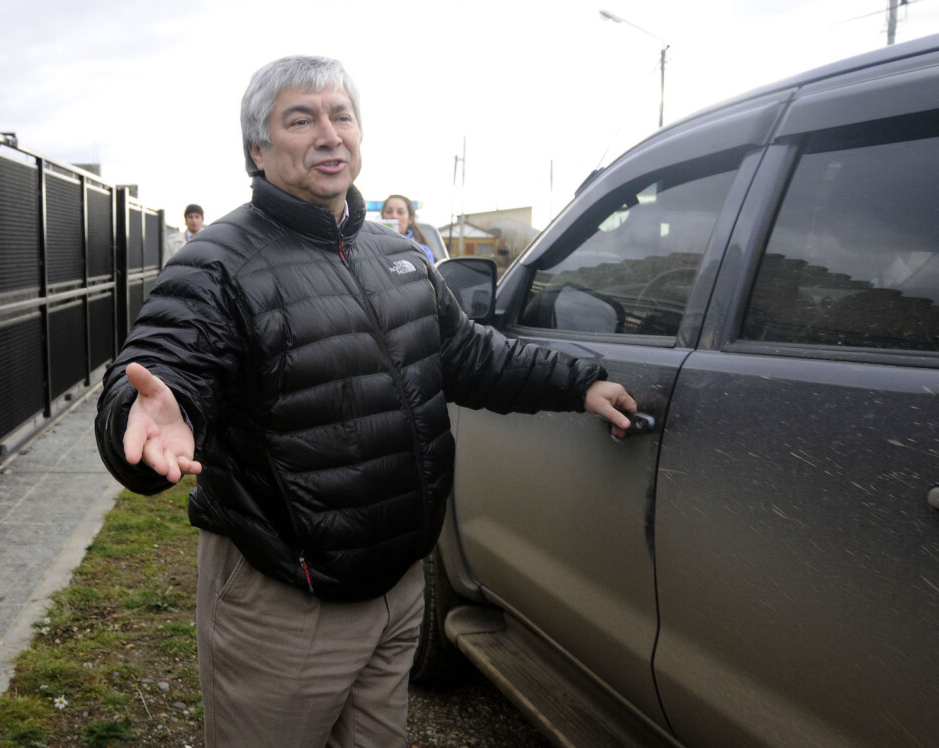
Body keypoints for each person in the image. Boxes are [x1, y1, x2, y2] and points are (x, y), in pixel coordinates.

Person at [94, 55, 636, 748]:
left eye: (340, 115)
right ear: (257, 150)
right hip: (287, 596)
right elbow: (162, 369)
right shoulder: (217, 263)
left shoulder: (397, 253)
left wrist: (577, 382)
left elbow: (466, 357)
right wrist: (134, 427)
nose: (329, 134)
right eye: (301, 119)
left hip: (399, 587)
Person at [382, 193, 434, 262]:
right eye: (389, 212)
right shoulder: (371, 247)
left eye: (400, 212)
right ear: (382, 217)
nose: (394, 216)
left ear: (410, 219)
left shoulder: (422, 251)